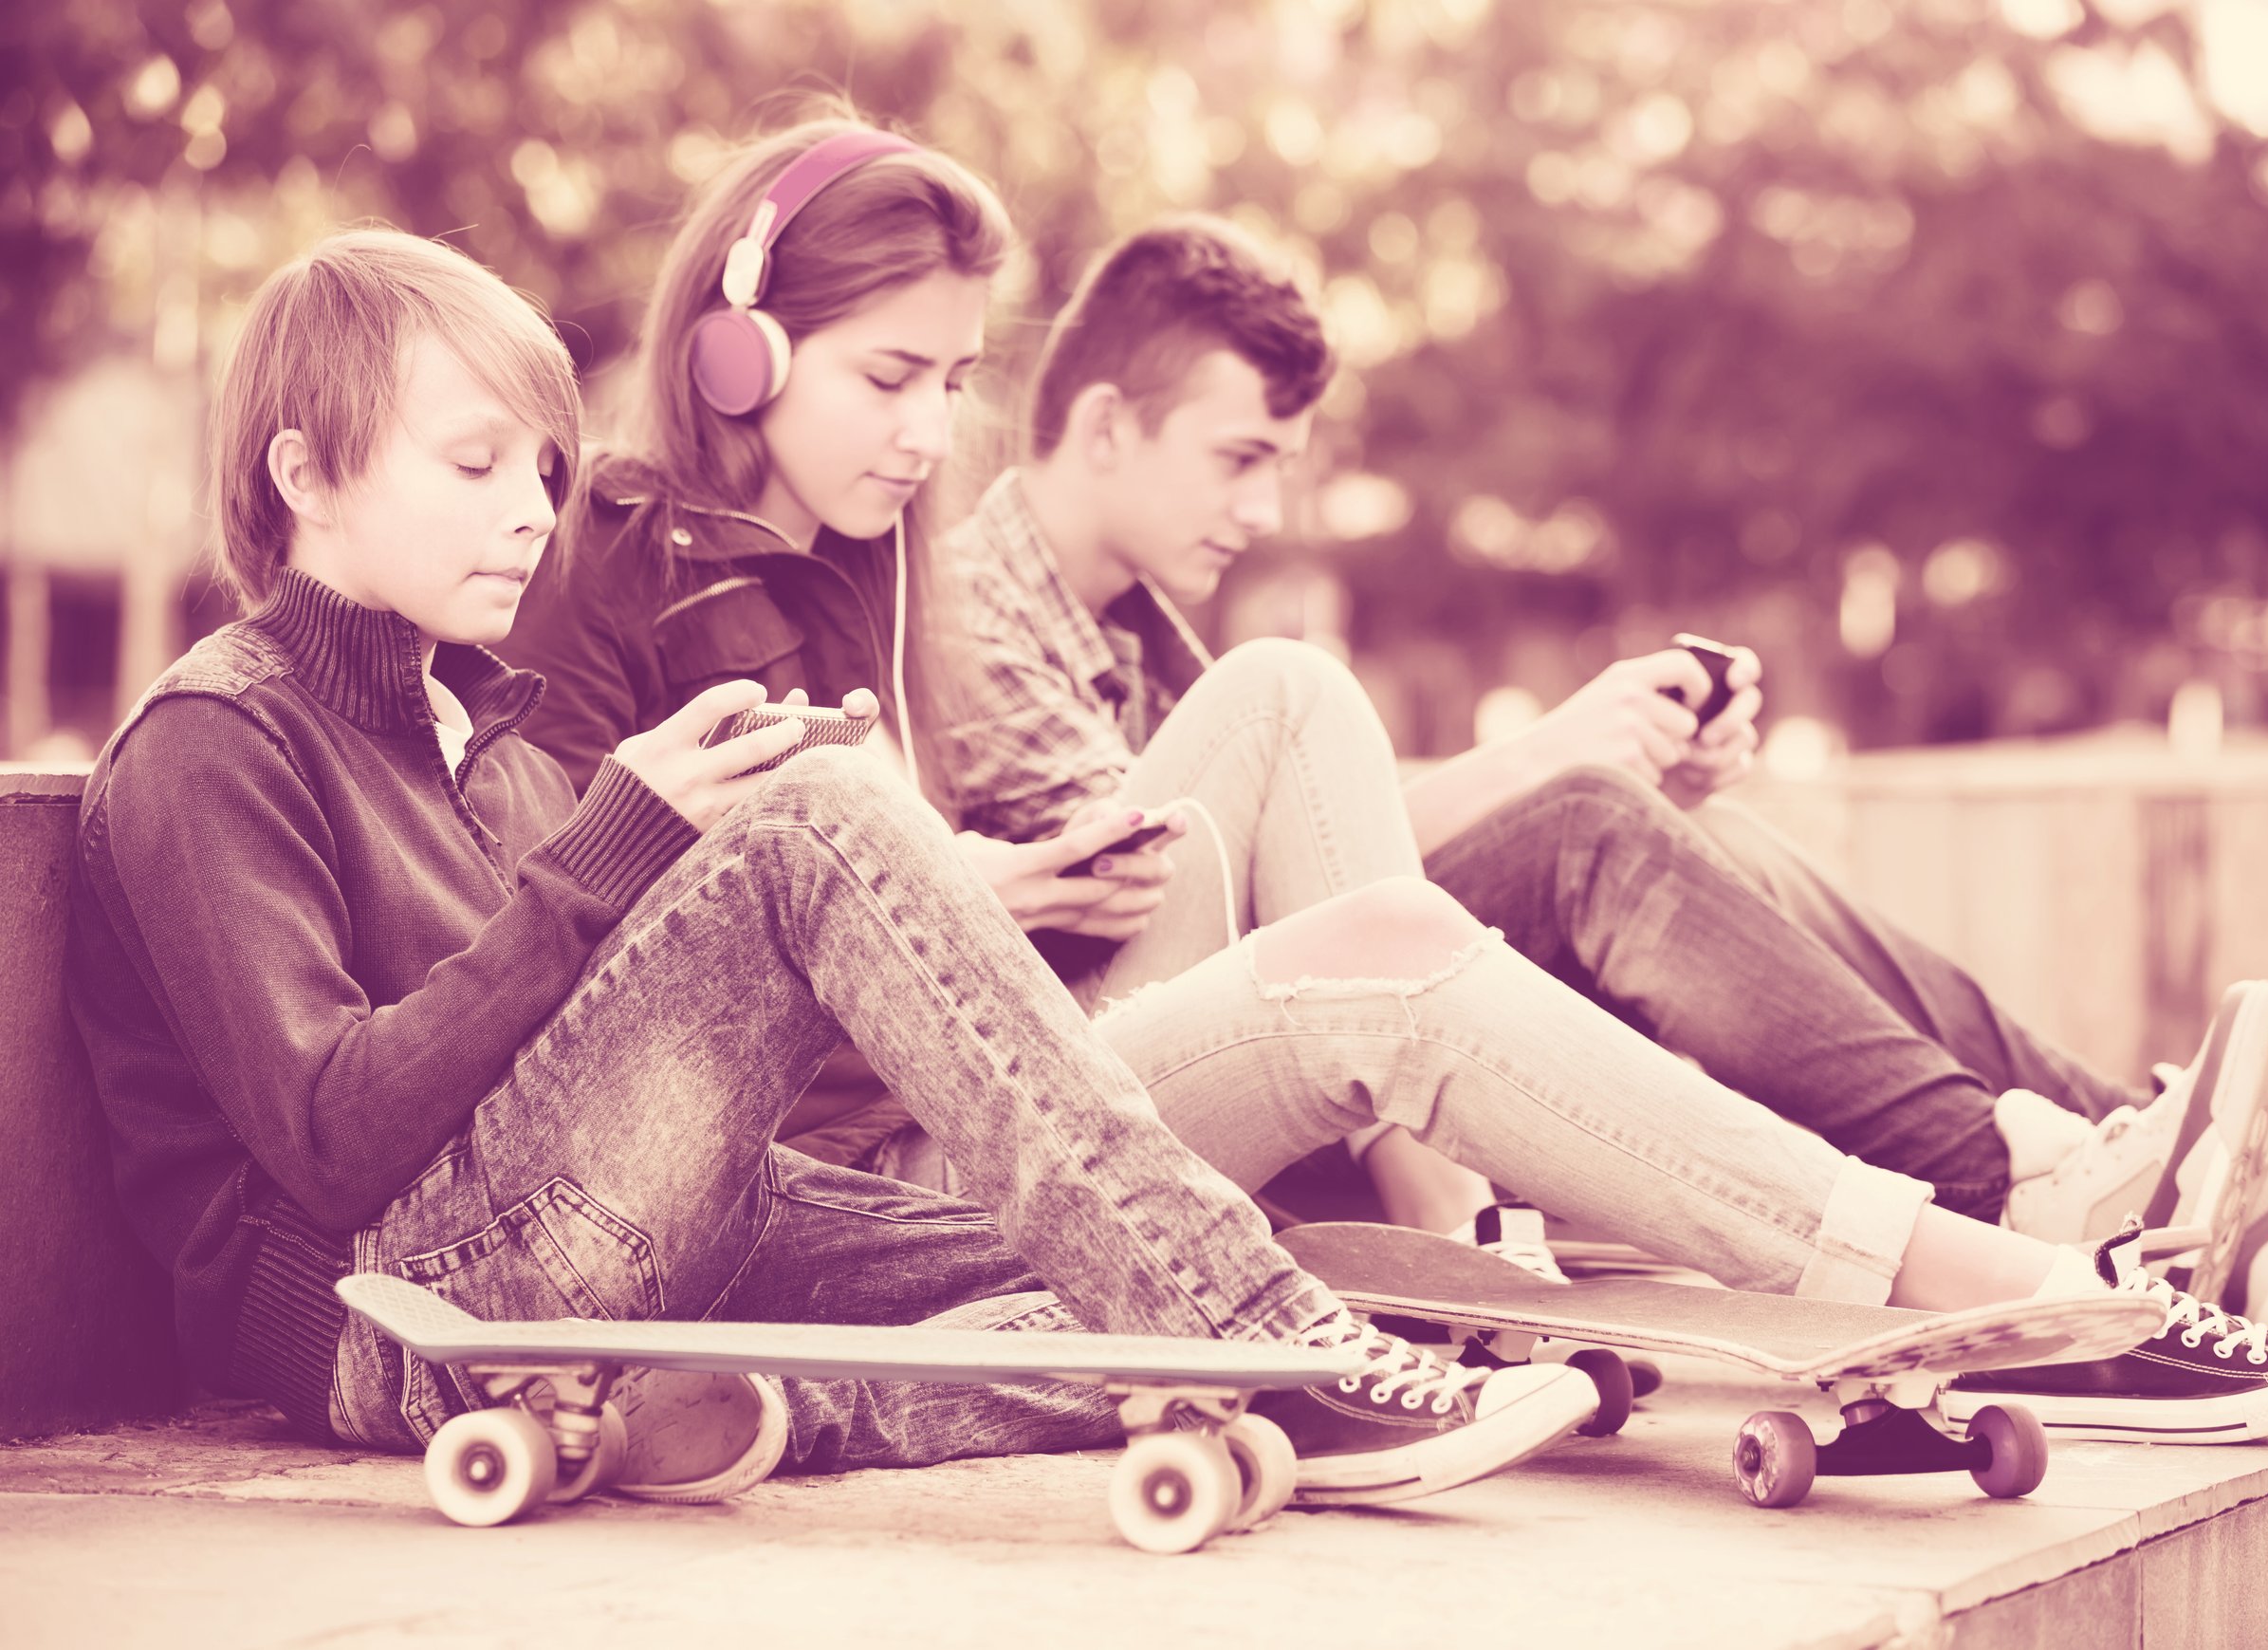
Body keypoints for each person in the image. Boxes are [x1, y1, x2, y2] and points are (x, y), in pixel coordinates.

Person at [499, 114, 2268, 1444]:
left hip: (989, 1085)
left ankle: (1463, 1249)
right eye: (887, 379)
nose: (926, 431)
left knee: (1295, 692)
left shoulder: (828, 564)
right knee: (1421, 925)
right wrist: (998, 891)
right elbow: (753, 947)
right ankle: (1989, 1268)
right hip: (893, 1178)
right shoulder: (670, 559)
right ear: (739, 354)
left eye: (946, 382)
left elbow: (861, 896)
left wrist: (1025, 883)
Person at [65, 225, 1625, 1513]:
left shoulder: (479, 733)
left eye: (542, 467)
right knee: (820, 816)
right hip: (390, 1314)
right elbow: (334, 1144)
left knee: (1104, 1259)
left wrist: (673, 854)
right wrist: (626, 847)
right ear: (303, 475)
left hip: (579, 1250)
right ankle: (1284, 1354)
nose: (534, 511)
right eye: (475, 466)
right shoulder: (212, 744)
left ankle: (751, 1411)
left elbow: (571, 1065)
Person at [924, 212, 2268, 1338]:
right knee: (1581, 827)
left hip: (1295, 1043)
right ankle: (2051, 1185)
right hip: (1164, 1096)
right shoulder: (978, 612)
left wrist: (1593, 764)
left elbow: (1311, 840)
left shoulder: (1136, 626)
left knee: (1687, 832)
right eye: (1240, 459)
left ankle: (2113, 1150)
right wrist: (1547, 755)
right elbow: (1188, 914)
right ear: (1106, 426)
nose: (1264, 508)